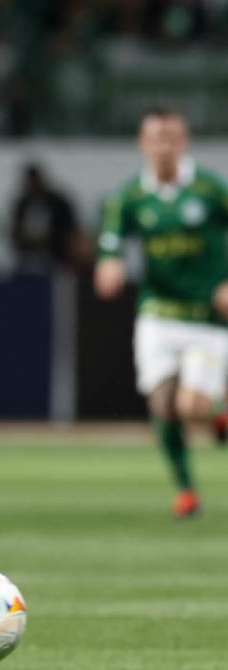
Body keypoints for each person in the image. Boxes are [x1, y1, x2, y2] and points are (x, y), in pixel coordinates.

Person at [95, 106, 228, 518]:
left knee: (191, 408)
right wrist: (109, 264)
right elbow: (111, 244)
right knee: (161, 404)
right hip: (158, 313)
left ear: (184, 142)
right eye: (155, 140)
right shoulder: (130, 196)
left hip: (206, 318)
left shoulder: (209, 189)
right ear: (143, 143)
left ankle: (217, 412)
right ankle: (186, 489)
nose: (163, 148)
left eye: (171, 139)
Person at [10, 162, 87, 275]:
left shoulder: (58, 203)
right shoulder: (23, 204)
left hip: (57, 256)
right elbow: (15, 231)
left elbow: (71, 231)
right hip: (27, 257)